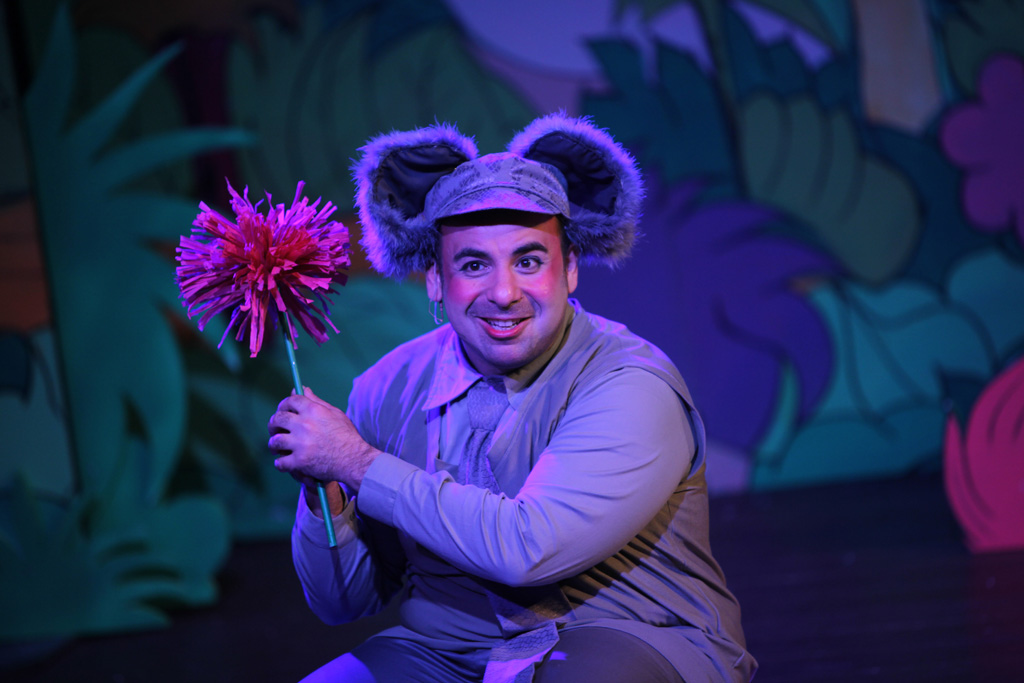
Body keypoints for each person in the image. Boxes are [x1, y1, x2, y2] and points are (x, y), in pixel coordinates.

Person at [268, 113, 756, 683]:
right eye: (474, 264)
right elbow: (343, 603)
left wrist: (357, 463)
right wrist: (326, 489)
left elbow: (529, 548)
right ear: (435, 280)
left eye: (528, 261)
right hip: (446, 650)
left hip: (627, 632)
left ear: (569, 270)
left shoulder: (630, 383)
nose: (503, 293)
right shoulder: (386, 387)